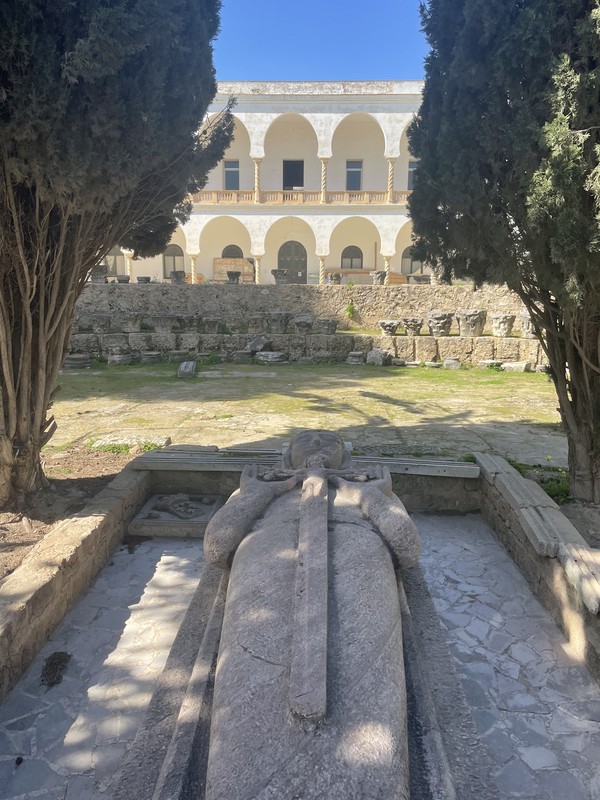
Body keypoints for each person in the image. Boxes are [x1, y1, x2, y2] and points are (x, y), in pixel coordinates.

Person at [203, 430, 419, 800]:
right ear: (287, 454)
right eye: (306, 439)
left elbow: (407, 548)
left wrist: (366, 496)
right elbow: (218, 547)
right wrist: (261, 493)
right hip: (266, 556)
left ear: (345, 456)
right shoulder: (260, 484)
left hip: (360, 556)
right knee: (250, 678)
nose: (318, 443)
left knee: (367, 670)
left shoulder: (369, 485)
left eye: (329, 441)